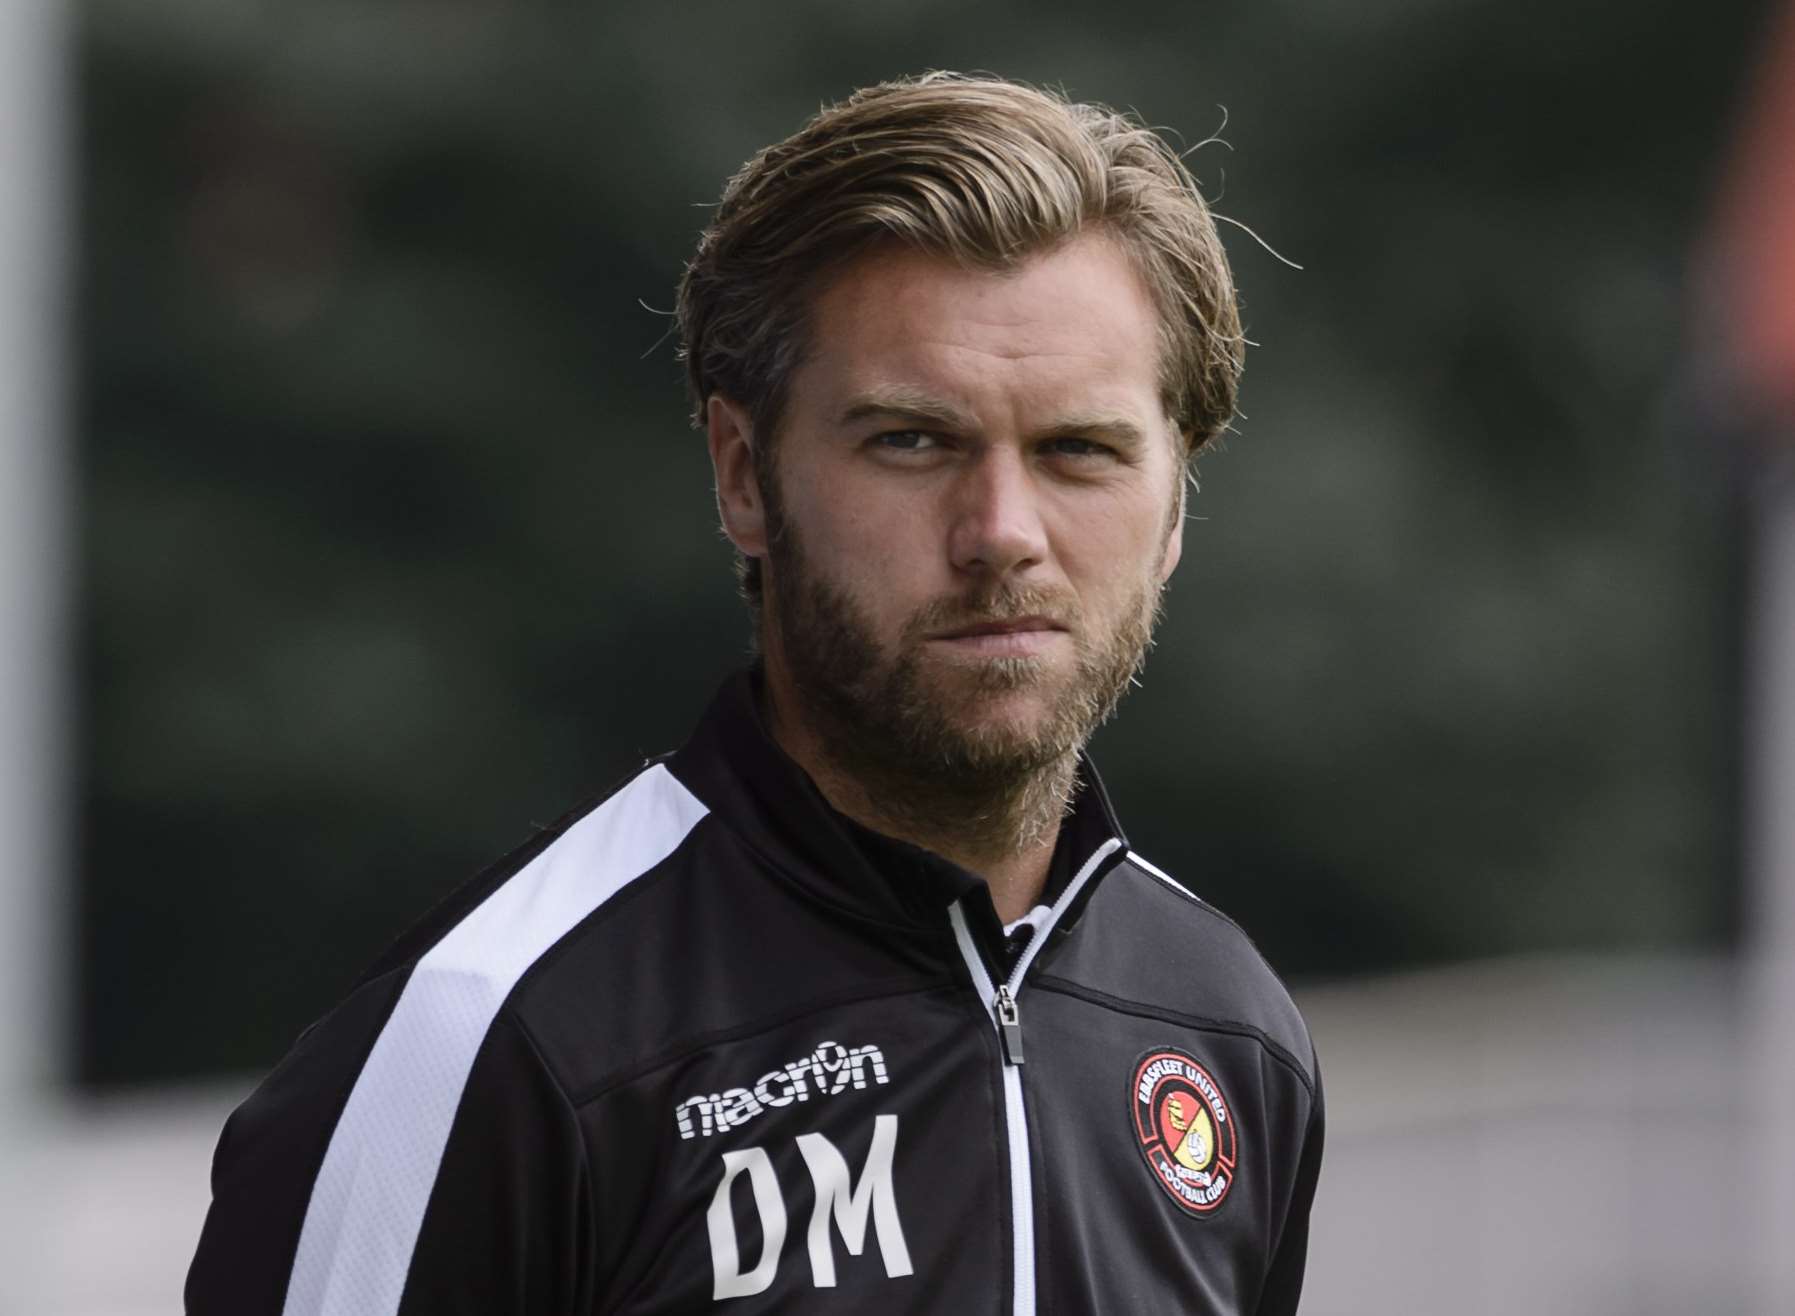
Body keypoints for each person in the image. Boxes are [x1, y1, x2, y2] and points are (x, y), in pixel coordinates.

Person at [186, 72, 1323, 1315]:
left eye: (1079, 451)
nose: (1002, 532)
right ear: (743, 473)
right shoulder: (495, 1041)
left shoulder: (1227, 1028)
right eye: (911, 439)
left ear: (1173, 506)